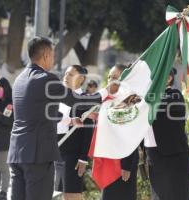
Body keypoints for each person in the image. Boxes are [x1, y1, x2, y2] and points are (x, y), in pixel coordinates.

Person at [7, 37, 119, 200]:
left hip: (17, 153)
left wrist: (70, 121)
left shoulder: (19, 80)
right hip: (38, 155)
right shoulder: (46, 79)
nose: (53, 60)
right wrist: (106, 91)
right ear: (45, 55)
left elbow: (41, 113)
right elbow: (77, 100)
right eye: (52, 56)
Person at [145, 68, 189, 200]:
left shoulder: (174, 95)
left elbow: (160, 106)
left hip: (174, 159)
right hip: (154, 156)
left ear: (169, 78)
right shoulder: (147, 97)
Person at [54, 65, 94, 200]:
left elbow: (88, 131)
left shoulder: (85, 99)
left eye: (70, 75)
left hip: (73, 155)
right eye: (65, 73)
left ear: (81, 79)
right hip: (55, 151)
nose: (66, 77)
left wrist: (83, 157)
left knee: (72, 194)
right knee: (60, 193)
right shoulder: (56, 97)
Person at [100, 64, 139, 200]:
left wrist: (126, 165)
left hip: (123, 162)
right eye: (109, 76)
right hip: (109, 158)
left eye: (115, 77)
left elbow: (132, 135)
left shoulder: (131, 102)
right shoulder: (108, 100)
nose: (110, 80)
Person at [0, 77, 13, 200]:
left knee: (3, 168)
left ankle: (3, 192)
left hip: (4, 140)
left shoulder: (9, 104)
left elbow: (8, 121)